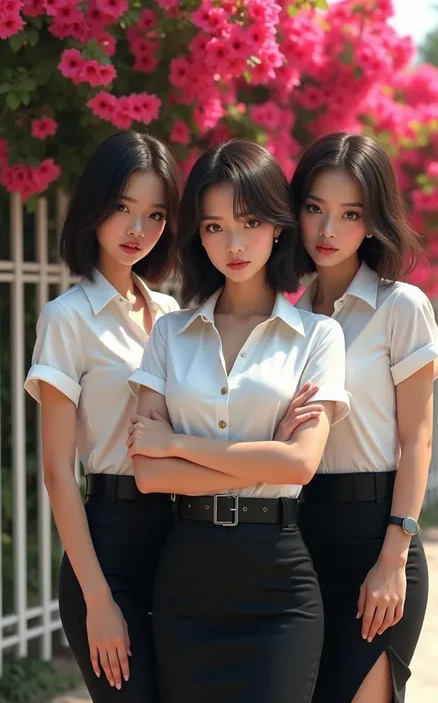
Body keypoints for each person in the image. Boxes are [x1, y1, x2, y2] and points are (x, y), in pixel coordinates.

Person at [126, 139, 350, 703]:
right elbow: (150, 476)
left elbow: (300, 464)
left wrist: (177, 443)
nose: (233, 243)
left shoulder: (318, 336)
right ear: (197, 236)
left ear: (277, 225)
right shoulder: (169, 334)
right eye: (213, 226)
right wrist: (263, 454)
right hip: (187, 578)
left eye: (249, 222)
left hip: (278, 581)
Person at [286, 132, 438, 703]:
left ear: (373, 220)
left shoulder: (400, 307)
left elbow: (418, 438)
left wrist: (393, 557)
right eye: (315, 209)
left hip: (377, 536)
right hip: (299, 540)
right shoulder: (288, 321)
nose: (327, 230)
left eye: (349, 214)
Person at [24, 131, 181, 702]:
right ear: (94, 207)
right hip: (109, 543)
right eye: (122, 208)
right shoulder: (67, 319)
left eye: (155, 214)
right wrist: (98, 600)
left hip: (184, 541)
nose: (137, 230)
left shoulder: (171, 315)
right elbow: (58, 473)